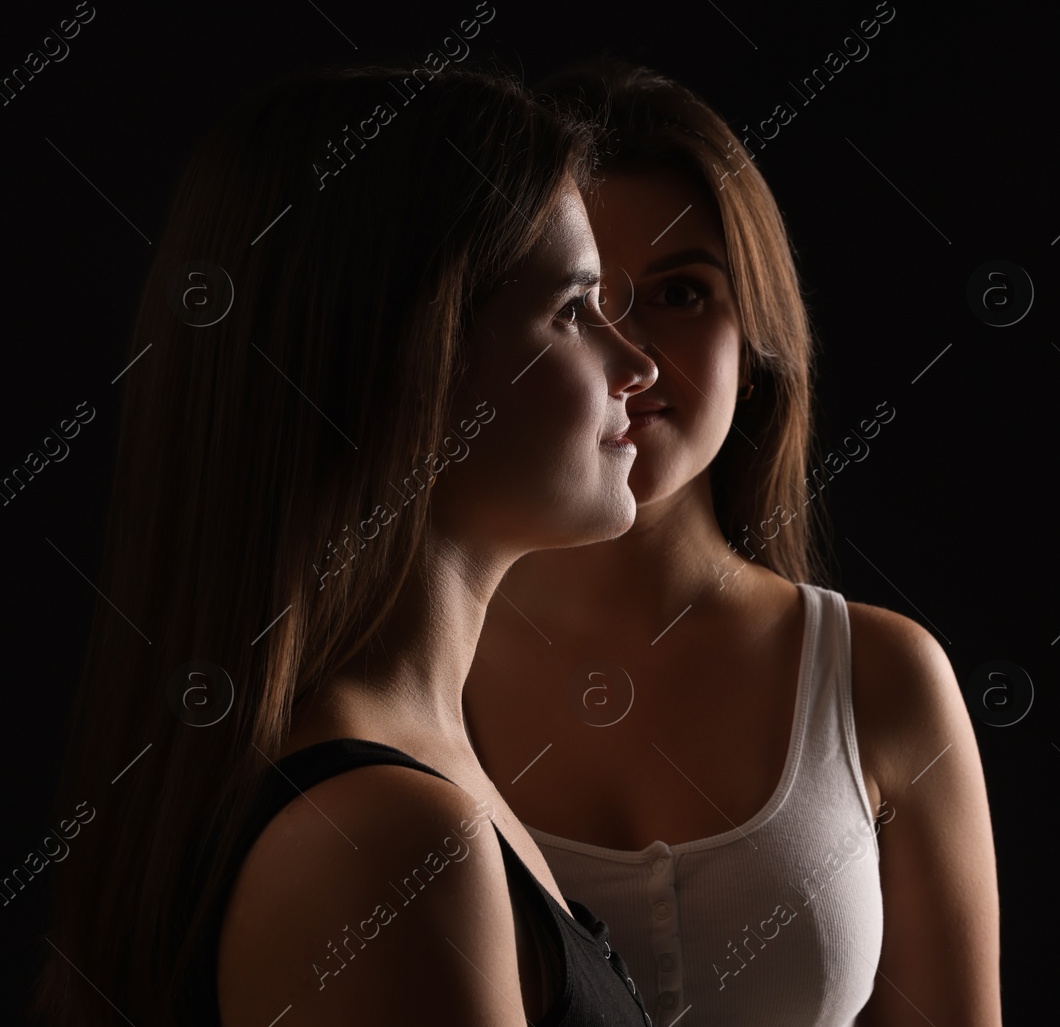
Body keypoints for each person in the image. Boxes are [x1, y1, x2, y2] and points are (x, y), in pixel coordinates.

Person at [31, 63, 661, 1026]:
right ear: (418, 353)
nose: (637, 364)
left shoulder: (419, 782)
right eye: (574, 311)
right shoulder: (391, 838)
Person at [461, 60, 1003, 1026]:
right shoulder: (401, 671)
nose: (628, 357)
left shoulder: (881, 678)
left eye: (679, 294)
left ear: (757, 339)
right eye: (580, 302)